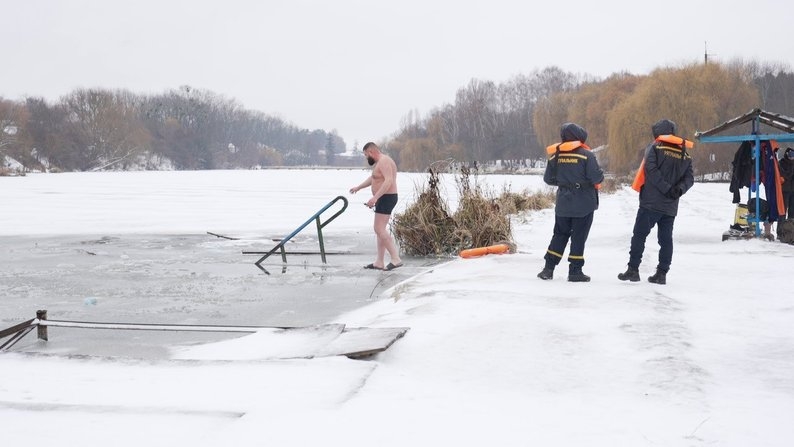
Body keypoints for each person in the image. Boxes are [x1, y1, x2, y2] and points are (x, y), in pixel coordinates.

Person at [618, 119, 694, 285]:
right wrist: (678, 190)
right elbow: (690, 179)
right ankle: (662, 273)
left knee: (639, 235)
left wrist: (666, 188)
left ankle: (633, 270)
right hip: (671, 206)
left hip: (650, 203)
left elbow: (651, 170)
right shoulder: (684, 153)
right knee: (666, 239)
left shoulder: (655, 148)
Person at [537, 123, 604, 282]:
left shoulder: (555, 156)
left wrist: (564, 183)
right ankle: (575, 271)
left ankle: (548, 269)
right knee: (579, 237)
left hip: (563, 203)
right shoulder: (587, 155)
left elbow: (548, 179)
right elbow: (597, 177)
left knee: (559, 235)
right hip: (584, 203)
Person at [350, 142, 403, 271]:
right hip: (384, 198)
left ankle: (396, 259)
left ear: (371, 152)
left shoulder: (384, 161)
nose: (366, 158)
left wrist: (375, 198)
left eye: (366, 155)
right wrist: (359, 187)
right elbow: (374, 178)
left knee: (379, 229)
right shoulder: (380, 162)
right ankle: (379, 262)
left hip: (387, 197)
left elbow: (388, 180)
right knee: (380, 230)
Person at [780, 147, 794, 221]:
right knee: (783, 211)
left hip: (793, 191)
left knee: (792, 212)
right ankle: (781, 229)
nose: (792, 157)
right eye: (791, 154)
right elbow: (786, 175)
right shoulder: (782, 163)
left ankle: (791, 229)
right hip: (784, 191)